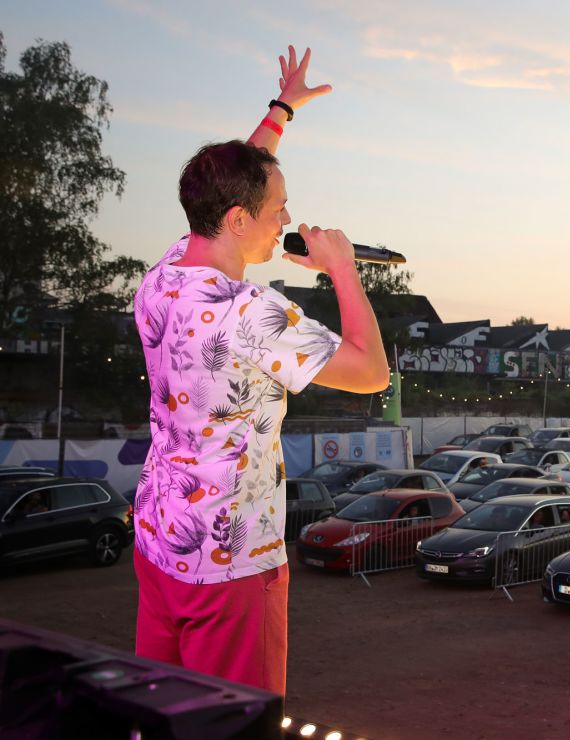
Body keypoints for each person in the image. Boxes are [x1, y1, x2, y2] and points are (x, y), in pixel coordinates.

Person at [131, 46, 388, 697]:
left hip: (163, 543)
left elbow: (226, 185)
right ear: (239, 220)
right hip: (231, 564)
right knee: (231, 719)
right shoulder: (251, 313)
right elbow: (371, 373)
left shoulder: (165, 274)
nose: (287, 223)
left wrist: (280, 113)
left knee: (164, 710)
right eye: (279, 210)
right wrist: (342, 269)